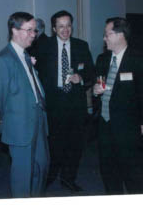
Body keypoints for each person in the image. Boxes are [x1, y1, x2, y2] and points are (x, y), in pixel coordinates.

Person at [29, 10, 95, 192]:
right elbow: (33, 74)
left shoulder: (82, 45)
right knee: (53, 144)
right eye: (61, 26)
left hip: (75, 104)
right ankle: (49, 176)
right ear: (53, 28)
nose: (65, 30)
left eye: (68, 26)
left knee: (75, 145)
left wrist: (80, 78)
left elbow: (91, 72)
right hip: (53, 103)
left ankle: (68, 178)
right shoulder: (43, 46)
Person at [0, 12, 49, 198]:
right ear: (15, 30)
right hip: (19, 125)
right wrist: (13, 116)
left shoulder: (25, 56)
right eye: (29, 30)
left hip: (39, 122)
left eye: (35, 30)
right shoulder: (3, 60)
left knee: (41, 168)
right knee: (23, 177)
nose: (34, 34)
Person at [92, 17, 143, 194]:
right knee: (108, 170)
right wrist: (96, 91)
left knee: (133, 170)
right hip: (105, 123)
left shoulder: (139, 59)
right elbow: (99, 86)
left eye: (107, 34)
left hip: (128, 125)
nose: (104, 38)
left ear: (120, 35)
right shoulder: (102, 59)